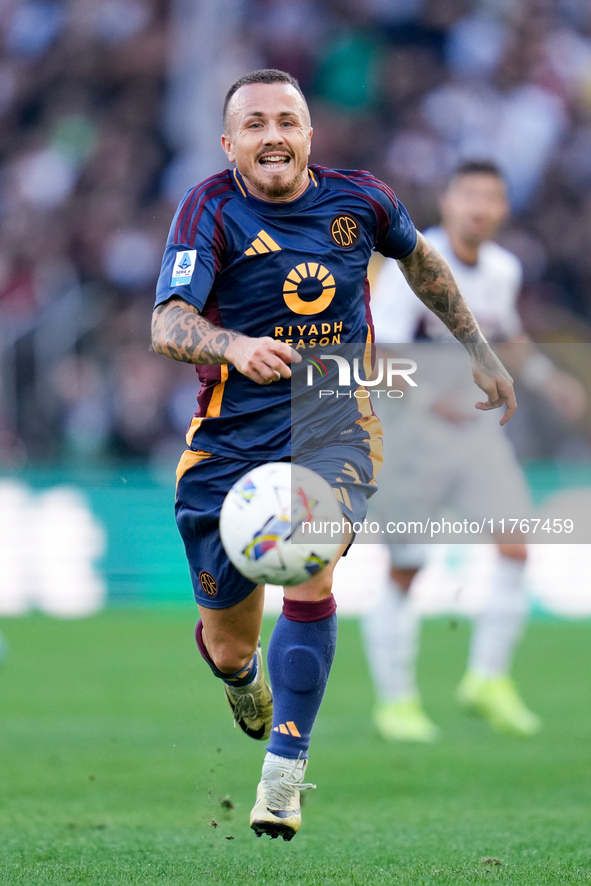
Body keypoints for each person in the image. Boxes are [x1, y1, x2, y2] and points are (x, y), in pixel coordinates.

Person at [151, 71, 517, 841]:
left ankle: (283, 774)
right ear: (230, 143)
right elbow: (168, 322)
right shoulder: (208, 208)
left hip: (335, 418)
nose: (273, 134)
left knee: (307, 559)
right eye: (255, 124)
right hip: (227, 441)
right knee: (227, 640)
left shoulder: (362, 200)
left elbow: (419, 260)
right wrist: (233, 344)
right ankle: (242, 677)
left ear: (310, 134)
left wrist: (476, 348)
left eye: (288, 120)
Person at [362, 160, 585, 743]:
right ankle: (397, 701)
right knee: (408, 567)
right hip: (413, 443)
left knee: (516, 548)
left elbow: (503, 335)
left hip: (479, 437)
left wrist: (546, 378)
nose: (480, 208)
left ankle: (487, 679)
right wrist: (432, 397)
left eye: (492, 197)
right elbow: (375, 353)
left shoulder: (502, 269)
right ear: (447, 201)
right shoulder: (411, 263)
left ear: (504, 209)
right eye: (470, 196)